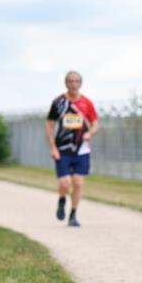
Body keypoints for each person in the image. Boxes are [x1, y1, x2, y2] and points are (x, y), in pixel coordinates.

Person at [45, 70, 99, 227]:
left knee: (78, 183)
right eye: (70, 81)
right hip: (62, 148)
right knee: (65, 183)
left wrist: (90, 133)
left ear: (80, 84)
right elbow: (49, 124)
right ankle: (62, 200)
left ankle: (73, 214)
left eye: (76, 81)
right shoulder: (59, 102)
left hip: (81, 149)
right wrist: (53, 147)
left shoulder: (87, 103)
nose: (73, 84)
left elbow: (95, 123)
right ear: (66, 83)